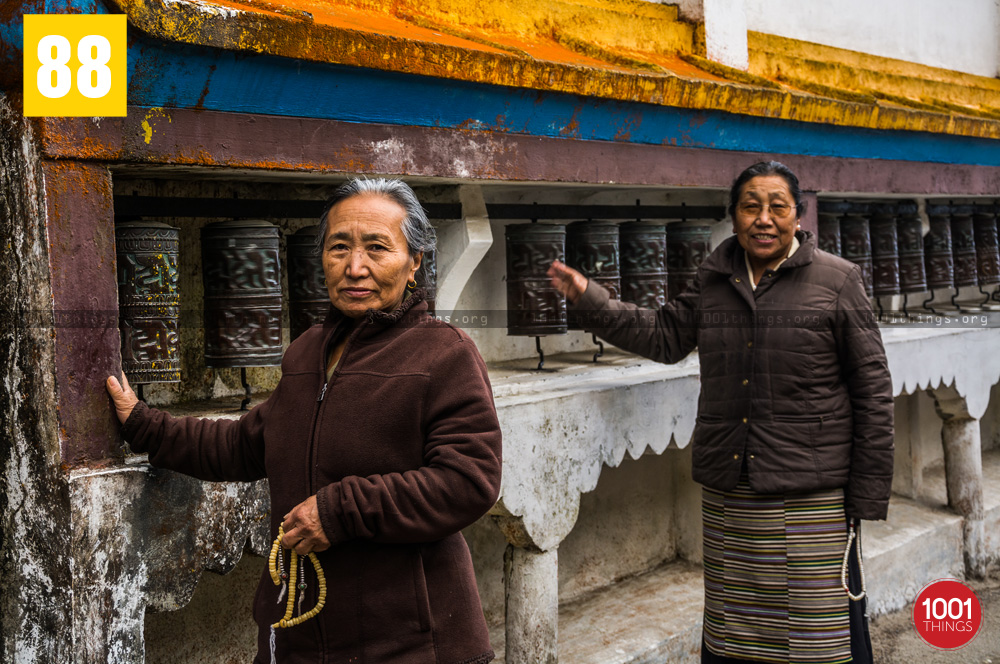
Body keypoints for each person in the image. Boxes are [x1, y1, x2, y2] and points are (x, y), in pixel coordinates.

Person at [107, 178, 503, 664]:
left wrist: (340, 512)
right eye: (339, 247)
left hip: (410, 642)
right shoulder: (307, 351)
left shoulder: (445, 354)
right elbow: (246, 444)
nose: (355, 267)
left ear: (415, 260)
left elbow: (468, 481)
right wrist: (143, 424)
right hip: (299, 634)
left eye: (377, 248)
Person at [548, 161, 893, 664]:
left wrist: (865, 494)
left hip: (811, 494)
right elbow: (664, 336)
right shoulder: (715, 279)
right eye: (750, 206)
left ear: (798, 216)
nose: (764, 218)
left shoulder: (838, 281)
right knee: (737, 629)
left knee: (818, 634)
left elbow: (872, 389)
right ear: (733, 216)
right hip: (734, 491)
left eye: (778, 207)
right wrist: (589, 299)